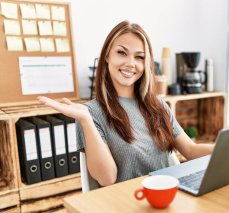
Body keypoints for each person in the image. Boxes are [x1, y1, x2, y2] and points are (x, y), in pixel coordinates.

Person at [38, 20, 214, 189]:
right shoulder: (90, 113)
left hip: (169, 195)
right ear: (107, 55)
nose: (131, 63)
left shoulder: (158, 105)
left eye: (139, 57)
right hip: (129, 205)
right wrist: (86, 120)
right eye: (122, 53)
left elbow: (191, 150)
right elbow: (107, 179)